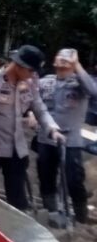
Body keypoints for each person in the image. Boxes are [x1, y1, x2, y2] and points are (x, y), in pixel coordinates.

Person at [0, 45, 64, 211]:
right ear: (18, 66)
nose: (33, 74)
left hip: (16, 148)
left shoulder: (29, 82)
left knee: (18, 200)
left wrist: (53, 129)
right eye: (31, 70)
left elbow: (39, 108)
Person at [37, 49, 97, 225]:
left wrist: (77, 65)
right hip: (46, 138)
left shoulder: (81, 84)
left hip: (71, 140)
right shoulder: (45, 82)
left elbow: (93, 91)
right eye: (60, 60)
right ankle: (51, 212)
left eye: (67, 62)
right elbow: (32, 100)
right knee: (46, 176)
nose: (62, 65)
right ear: (54, 62)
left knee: (74, 179)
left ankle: (80, 216)